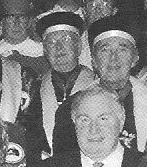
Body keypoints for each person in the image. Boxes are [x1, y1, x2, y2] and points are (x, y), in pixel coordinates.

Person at [49, 17, 147, 156]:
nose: (113, 58)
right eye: (105, 50)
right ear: (93, 61)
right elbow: (63, 162)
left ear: (135, 58)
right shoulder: (70, 107)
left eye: (122, 50)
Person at [19, 10, 96, 157]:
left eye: (66, 39)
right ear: (45, 50)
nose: (59, 47)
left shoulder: (96, 86)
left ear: (79, 46)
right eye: (51, 42)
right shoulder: (33, 89)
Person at [0, 0, 46, 77]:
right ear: (2, 22)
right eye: (11, 18)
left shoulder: (41, 51)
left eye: (22, 18)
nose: (17, 23)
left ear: (29, 22)